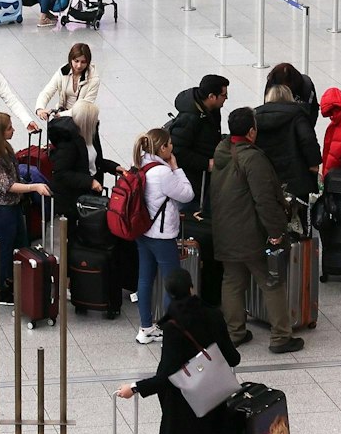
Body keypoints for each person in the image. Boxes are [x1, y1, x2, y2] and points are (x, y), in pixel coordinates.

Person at [113, 268, 241, 434]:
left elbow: (166, 377)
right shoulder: (213, 314)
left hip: (185, 405)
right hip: (215, 396)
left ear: (169, 295)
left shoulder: (173, 327)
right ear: (192, 288)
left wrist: (134, 388)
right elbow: (233, 358)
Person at [210, 107, 302, 353]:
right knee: (271, 282)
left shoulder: (221, 152)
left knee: (232, 282)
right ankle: (281, 336)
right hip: (251, 234)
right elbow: (264, 200)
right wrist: (275, 232)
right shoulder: (252, 158)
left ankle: (235, 333)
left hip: (225, 230)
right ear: (251, 132)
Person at [0, 112, 52, 303]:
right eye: (9, 127)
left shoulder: (4, 148)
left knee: (19, 245)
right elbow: (7, 185)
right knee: (4, 250)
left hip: (11, 205)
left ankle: (16, 283)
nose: (13, 130)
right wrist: (34, 187)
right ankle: (1, 290)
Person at [128, 128, 194, 343]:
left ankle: (145, 328)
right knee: (171, 282)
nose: (172, 147)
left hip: (142, 231)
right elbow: (187, 194)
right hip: (162, 235)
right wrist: (176, 168)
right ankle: (170, 328)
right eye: (170, 144)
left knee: (145, 278)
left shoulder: (139, 164)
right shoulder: (163, 172)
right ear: (163, 148)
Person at [252, 83, 322, 208]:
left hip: (264, 176)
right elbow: (307, 139)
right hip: (296, 178)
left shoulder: (255, 116)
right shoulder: (297, 114)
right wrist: (314, 163)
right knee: (297, 211)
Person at [167, 74, 228, 201]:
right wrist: (206, 163)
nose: (226, 98)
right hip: (194, 178)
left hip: (207, 173)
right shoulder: (189, 118)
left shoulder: (212, 109)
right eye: (223, 95)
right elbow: (178, 151)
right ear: (211, 97)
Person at [34, 42, 101, 154]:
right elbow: (47, 91)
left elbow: (83, 107)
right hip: (64, 120)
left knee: (85, 154)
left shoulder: (94, 79)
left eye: (83, 62)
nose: (79, 65)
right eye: (76, 61)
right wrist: (40, 108)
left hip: (83, 121)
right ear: (71, 59)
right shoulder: (63, 71)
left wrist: (60, 115)